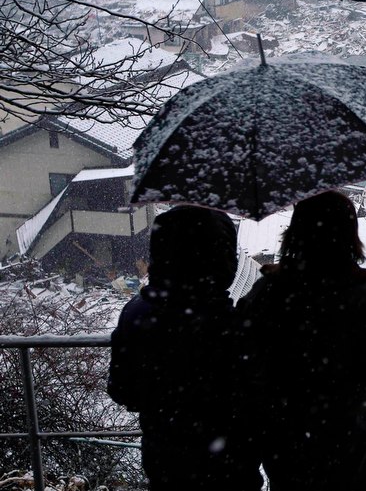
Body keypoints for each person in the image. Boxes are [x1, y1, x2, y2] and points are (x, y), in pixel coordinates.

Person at [240, 190, 366, 491]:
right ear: (349, 238)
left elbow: (249, 345)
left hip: (292, 453)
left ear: (294, 235)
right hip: (362, 455)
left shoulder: (268, 295)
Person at [108, 206, 261, 491]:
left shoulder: (137, 315)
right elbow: (262, 397)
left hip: (166, 461)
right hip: (232, 466)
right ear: (222, 259)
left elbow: (122, 390)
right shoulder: (236, 324)